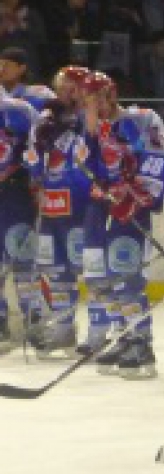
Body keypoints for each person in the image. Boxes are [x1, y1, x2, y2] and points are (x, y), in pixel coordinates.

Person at [80, 70, 164, 379]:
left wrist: (135, 192)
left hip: (132, 207)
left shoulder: (143, 119)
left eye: (96, 99)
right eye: (87, 101)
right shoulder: (94, 128)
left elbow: (163, 160)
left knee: (126, 271)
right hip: (105, 207)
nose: (92, 106)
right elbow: (88, 168)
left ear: (112, 94)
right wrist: (90, 137)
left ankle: (141, 342)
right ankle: (123, 336)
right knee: (107, 275)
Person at [23, 65, 94, 360]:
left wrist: (81, 121)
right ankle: (64, 328)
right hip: (52, 203)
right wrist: (36, 161)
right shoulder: (46, 118)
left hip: (80, 203)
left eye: (72, 86)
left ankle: (100, 331)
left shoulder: (91, 116)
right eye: (62, 86)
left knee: (90, 268)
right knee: (57, 271)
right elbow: (31, 157)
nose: (66, 92)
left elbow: (97, 147)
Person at [0, 90, 37, 353]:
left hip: (15, 193)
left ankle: (32, 318)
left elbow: (40, 149)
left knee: (21, 257)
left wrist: (31, 177)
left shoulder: (20, 110)